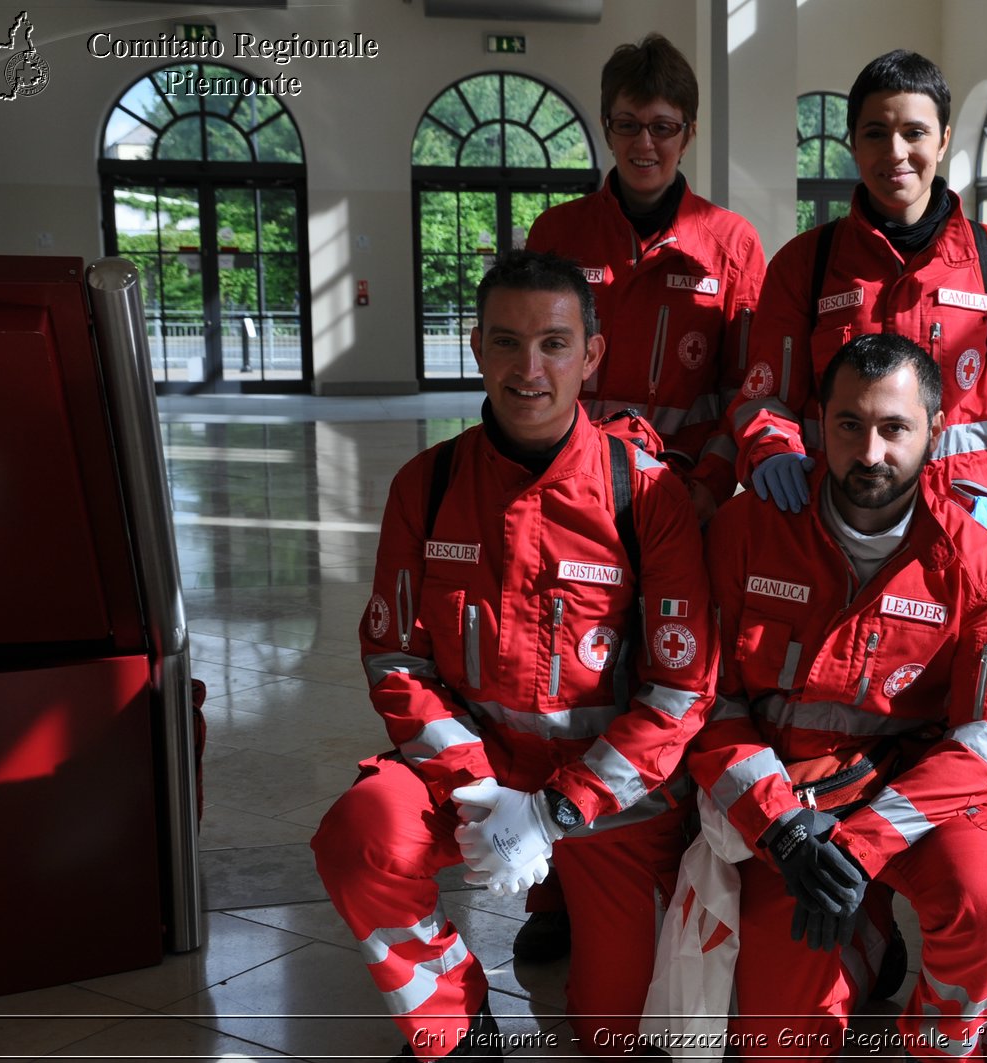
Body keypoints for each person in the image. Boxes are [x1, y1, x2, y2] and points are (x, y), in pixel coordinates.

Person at [311, 250, 716, 1061]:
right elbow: (394, 657)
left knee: (615, 1035)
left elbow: (681, 689)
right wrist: (481, 787)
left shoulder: (648, 494)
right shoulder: (426, 484)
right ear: (476, 348)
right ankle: (457, 1028)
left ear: (591, 355)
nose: (528, 369)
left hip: (613, 803)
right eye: (505, 342)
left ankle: (572, 900)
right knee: (360, 836)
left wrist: (554, 811)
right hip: (473, 774)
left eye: (554, 344)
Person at [692, 333, 987, 1060]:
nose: (871, 451)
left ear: (935, 431)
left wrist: (861, 846)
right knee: (779, 1045)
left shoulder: (976, 560)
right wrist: (784, 830)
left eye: (895, 427)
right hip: (787, 805)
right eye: (849, 425)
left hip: (910, 802)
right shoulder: (746, 530)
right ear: (819, 422)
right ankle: (867, 932)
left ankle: (939, 1045)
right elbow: (706, 700)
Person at [730, 48, 987, 638]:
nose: (895, 153)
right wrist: (769, 450)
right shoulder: (806, 265)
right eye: (876, 133)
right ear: (853, 141)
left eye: (914, 132)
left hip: (974, 532)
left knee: (983, 703)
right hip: (843, 526)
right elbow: (764, 397)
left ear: (945, 138)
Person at [526, 32, 765, 525]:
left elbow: (747, 388)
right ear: (606, 127)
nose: (644, 144)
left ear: (689, 132)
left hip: (682, 492)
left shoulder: (733, 245)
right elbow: (534, 367)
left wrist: (712, 486)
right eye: (628, 125)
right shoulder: (557, 232)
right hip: (570, 486)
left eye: (663, 126)